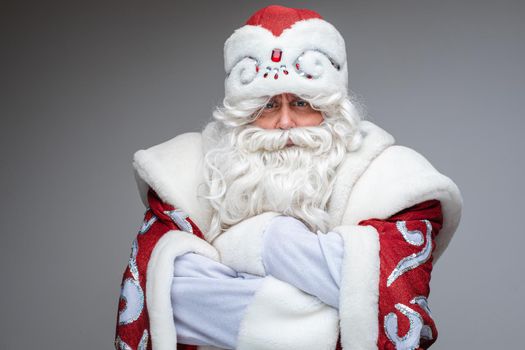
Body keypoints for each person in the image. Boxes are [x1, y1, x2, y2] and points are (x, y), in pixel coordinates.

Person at [114, 5, 462, 350]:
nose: (284, 122)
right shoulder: (184, 172)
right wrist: (334, 313)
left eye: (300, 103)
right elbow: (167, 299)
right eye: (266, 106)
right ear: (242, 116)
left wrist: (260, 241)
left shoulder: (394, 178)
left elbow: (393, 291)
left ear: (331, 109)